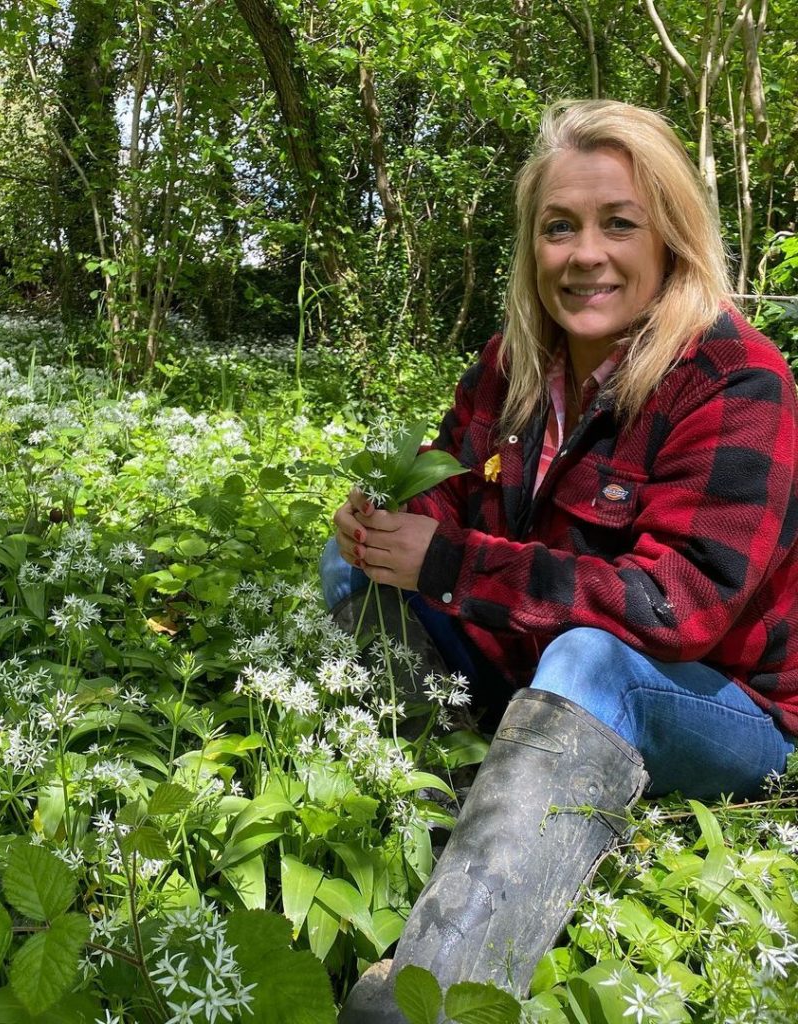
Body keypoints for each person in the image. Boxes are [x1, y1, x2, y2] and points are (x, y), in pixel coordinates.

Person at [326, 99, 798, 1022]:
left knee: (591, 657)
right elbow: (450, 490)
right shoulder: (512, 361)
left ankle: (438, 991)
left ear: (668, 235)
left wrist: (452, 565)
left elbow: (679, 610)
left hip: (725, 706)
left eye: (619, 223)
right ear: (531, 244)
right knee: (350, 572)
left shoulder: (739, 380)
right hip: (540, 664)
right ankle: (469, 785)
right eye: (560, 227)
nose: (587, 254)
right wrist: (392, 529)